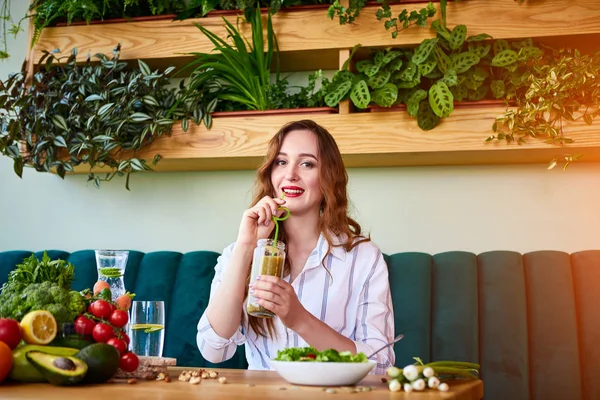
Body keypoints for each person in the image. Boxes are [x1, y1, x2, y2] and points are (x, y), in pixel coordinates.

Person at [196, 119, 395, 375]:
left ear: (328, 177)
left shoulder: (363, 258)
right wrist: (246, 246)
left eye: (307, 163)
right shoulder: (239, 252)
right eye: (281, 162)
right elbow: (214, 350)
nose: (290, 174)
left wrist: (300, 319)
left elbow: (380, 364)